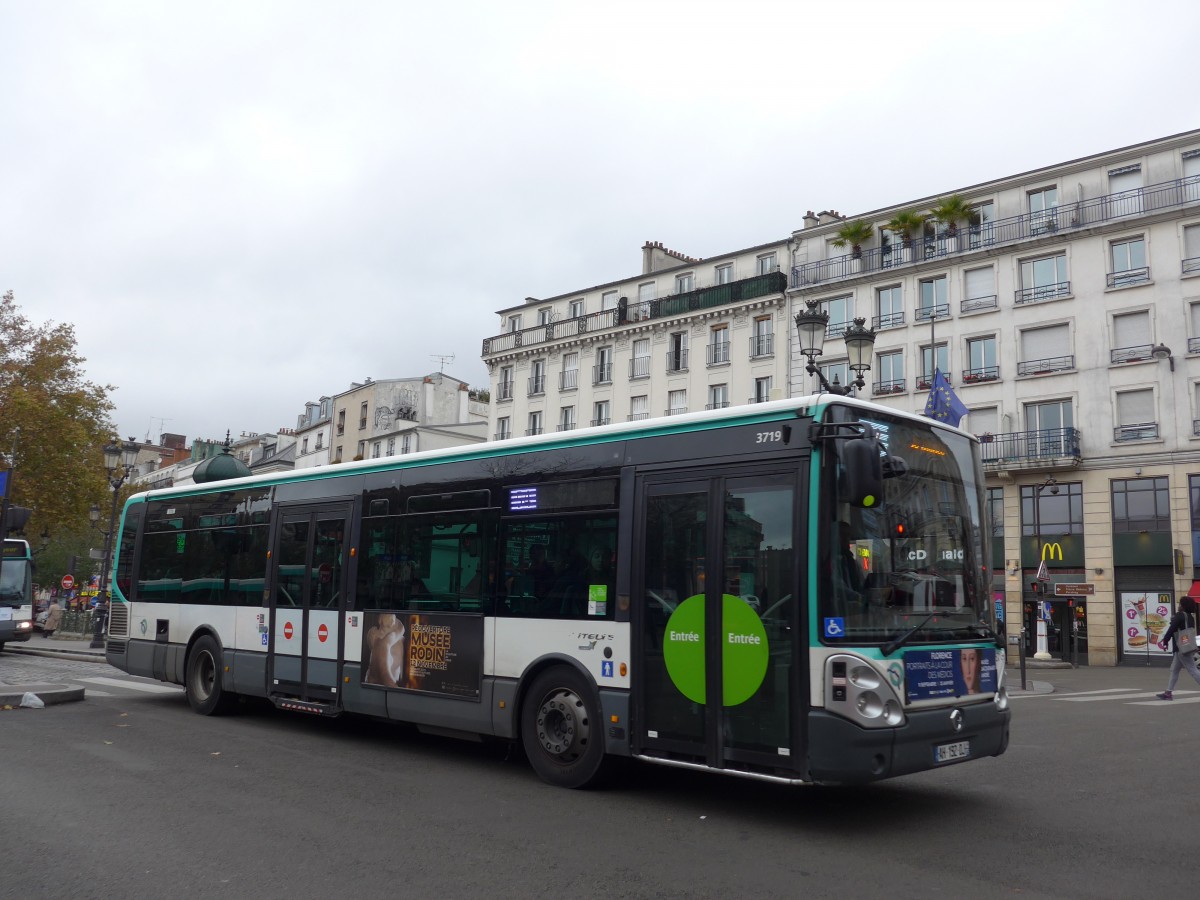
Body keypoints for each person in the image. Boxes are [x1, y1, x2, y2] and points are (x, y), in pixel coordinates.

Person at [1156, 595, 1200, 700]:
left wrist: (1165, 641)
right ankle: (1168, 692)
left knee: (1193, 670)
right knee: (1174, 670)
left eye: (1180, 604)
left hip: (1182, 647)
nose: (1179, 605)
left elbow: (1172, 629)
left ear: (1183, 605)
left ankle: (1168, 693)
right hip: (1185, 646)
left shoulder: (1180, 615)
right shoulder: (1190, 616)